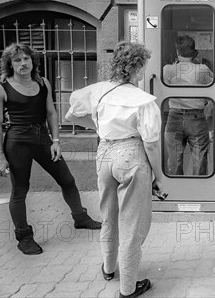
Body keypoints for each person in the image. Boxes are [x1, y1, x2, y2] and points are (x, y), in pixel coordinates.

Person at [65, 41, 163, 298]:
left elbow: (72, 115)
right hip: (132, 155)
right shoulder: (143, 101)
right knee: (131, 222)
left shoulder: (97, 90)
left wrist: (99, 126)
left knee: (108, 214)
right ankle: (128, 288)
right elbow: (151, 145)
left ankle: (109, 268)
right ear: (138, 68)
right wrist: (158, 178)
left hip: (105, 154)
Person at [0, 44, 101, 256]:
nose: (23, 64)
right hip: (17, 141)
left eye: (26, 59)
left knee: (67, 180)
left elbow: (51, 113)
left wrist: (56, 140)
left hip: (42, 138)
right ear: (9, 64)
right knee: (20, 190)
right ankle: (24, 237)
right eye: (17, 60)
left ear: (33, 61)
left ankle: (81, 218)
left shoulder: (43, 82)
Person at [162, 35, 213, 176]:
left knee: (174, 158)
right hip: (196, 117)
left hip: (174, 117)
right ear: (193, 52)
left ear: (177, 52)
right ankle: (199, 190)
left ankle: (177, 191)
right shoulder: (202, 69)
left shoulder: (167, 70)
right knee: (200, 156)